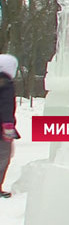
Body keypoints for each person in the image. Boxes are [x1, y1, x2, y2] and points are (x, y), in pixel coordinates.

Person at [0, 54, 20, 198]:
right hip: (1, 130)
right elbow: (6, 106)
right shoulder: (5, 84)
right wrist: (8, 127)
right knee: (3, 157)